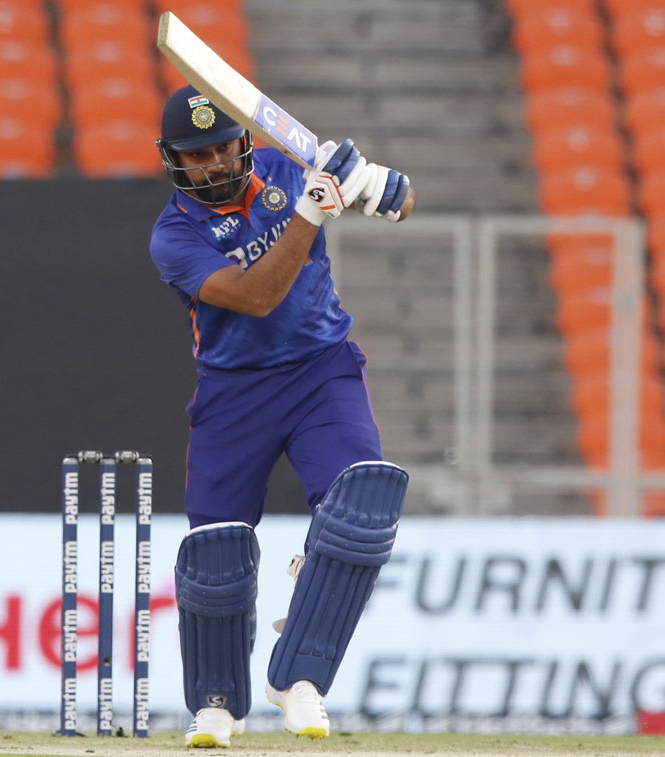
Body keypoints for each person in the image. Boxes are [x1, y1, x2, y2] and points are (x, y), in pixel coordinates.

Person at [149, 85, 415, 747]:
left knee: (364, 503)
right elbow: (256, 296)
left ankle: (300, 682)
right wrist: (314, 208)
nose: (211, 163)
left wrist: (375, 183)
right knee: (216, 553)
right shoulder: (173, 234)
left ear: (242, 143)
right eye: (195, 155)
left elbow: (406, 204)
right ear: (172, 160)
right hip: (233, 390)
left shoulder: (288, 165)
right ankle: (217, 705)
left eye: (219, 148)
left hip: (321, 368)